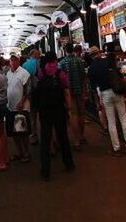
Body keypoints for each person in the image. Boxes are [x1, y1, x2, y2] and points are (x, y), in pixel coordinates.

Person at [35, 52, 74, 181]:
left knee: (45, 139)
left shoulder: (41, 73)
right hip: (58, 109)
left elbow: (37, 89)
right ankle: (68, 163)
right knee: (63, 136)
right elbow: (67, 92)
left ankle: (45, 171)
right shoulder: (60, 73)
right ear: (55, 60)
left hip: (45, 110)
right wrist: (69, 108)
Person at [88, 46, 126, 155]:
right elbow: (119, 74)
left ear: (91, 56)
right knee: (123, 118)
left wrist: (98, 101)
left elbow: (93, 87)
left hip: (105, 93)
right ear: (99, 52)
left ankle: (116, 148)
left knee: (111, 121)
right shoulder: (108, 61)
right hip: (116, 91)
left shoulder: (91, 68)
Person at [59, 43, 87, 147]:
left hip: (68, 93)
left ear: (65, 50)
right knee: (81, 113)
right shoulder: (80, 61)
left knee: (73, 114)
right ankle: (82, 136)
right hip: (79, 90)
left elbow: (61, 79)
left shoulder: (62, 63)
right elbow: (84, 77)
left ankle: (76, 140)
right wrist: (84, 90)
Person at [5, 54, 31, 163]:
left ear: (19, 62)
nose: (13, 62)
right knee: (14, 132)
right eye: (12, 60)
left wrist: (22, 101)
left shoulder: (24, 73)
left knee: (22, 132)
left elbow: (28, 89)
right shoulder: (8, 73)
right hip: (10, 107)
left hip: (21, 108)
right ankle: (19, 152)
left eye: (15, 60)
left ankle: (26, 153)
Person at [22, 49, 40, 145]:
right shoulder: (40, 62)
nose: (39, 54)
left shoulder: (25, 65)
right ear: (33, 54)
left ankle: (34, 134)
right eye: (38, 53)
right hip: (41, 92)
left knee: (32, 114)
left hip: (31, 92)